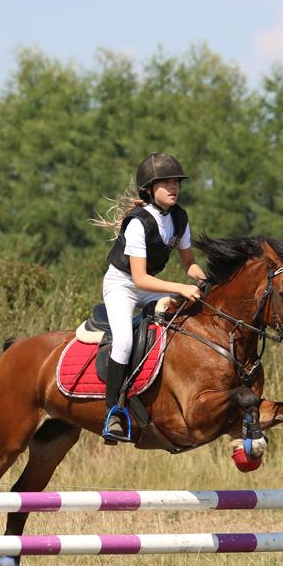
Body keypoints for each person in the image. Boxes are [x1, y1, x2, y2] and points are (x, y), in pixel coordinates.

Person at [99, 152, 206, 443]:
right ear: (149, 189)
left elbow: (189, 263)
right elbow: (140, 278)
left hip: (149, 284)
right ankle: (114, 413)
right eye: (166, 183)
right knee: (123, 340)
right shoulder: (138, 223)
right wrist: (181, 288)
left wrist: (201, 277)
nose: (174, 188)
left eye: (176, 182)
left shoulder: (180, 217)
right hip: (123, 284)